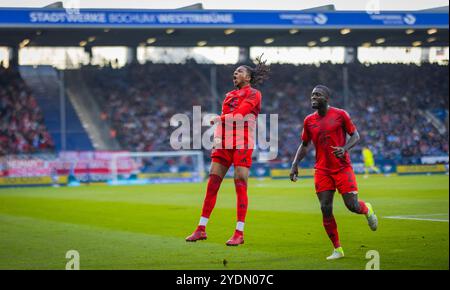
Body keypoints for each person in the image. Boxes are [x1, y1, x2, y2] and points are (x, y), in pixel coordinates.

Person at [185, 56, 270, 246]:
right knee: (212, 184)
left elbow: (240, 115)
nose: (236, 73)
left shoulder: (254, 94)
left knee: (240, 182)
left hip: (242, 141)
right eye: (235, 72)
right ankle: (201, 229)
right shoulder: (229, 95)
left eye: (240, 71)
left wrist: (218, 119)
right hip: (223, 142)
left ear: (248, 77)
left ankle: (239, 232)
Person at [289, 85, 378, 260]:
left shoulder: (340, 115)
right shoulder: (309, 121)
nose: (313, 97)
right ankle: (338, 249)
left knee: (351, 206)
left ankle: (367, 209)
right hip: (322, 170)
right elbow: (305, 144)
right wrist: (294, 164)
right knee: (325, 208)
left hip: (342, 168)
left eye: (317, 95)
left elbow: (356, 136)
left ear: (326, 99)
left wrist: (345, 148)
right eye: (312, 95)